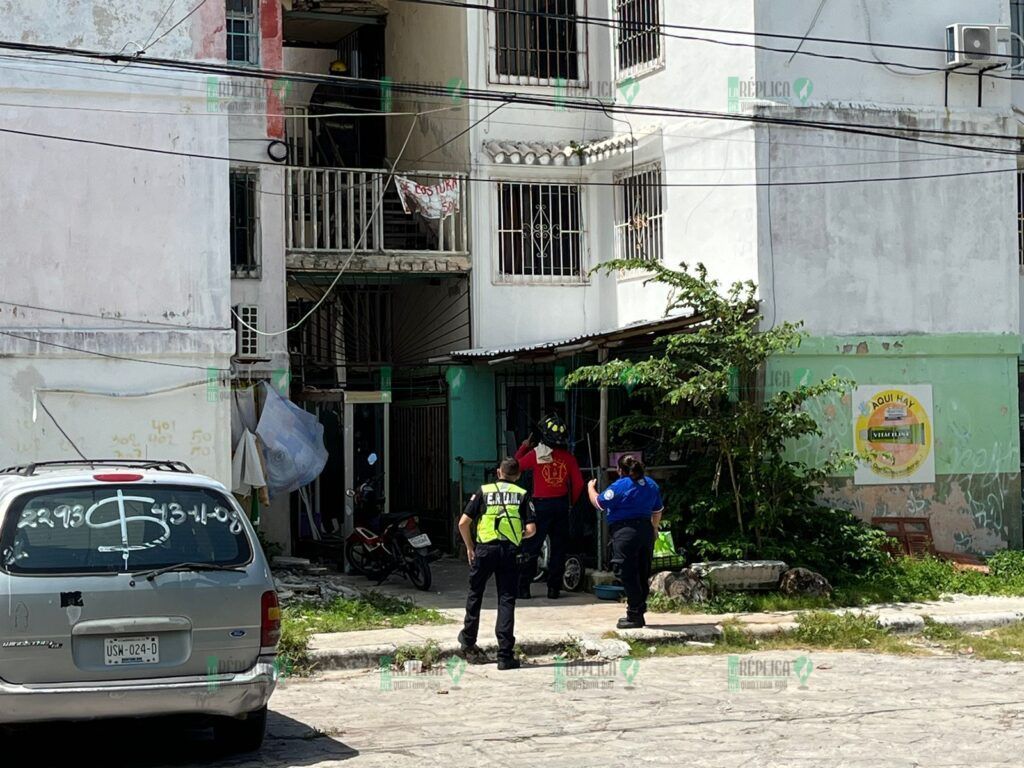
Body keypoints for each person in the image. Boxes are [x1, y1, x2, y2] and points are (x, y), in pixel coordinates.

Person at [458, 457, 537, 670]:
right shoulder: (522, 494)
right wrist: (515, 535)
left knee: (476, 593)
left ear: (498, 472)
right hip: (509, 552)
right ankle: (504, 655)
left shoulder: (483, 491)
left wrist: (470, 547)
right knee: (506, 599)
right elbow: (531, 530)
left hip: (484, 550)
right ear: (518, 475)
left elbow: (463, 523)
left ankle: (468, 639)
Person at [588, 455, 664, 629]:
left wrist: (590, 488)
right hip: (645, 530)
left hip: (625, 532)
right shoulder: (651, 484)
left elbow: (599, 503)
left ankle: (635, 614)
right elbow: (657, 510)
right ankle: (638, 612)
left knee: (627, 572)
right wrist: (654, 528)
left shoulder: (620, 485)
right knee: (642, 571)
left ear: (620, 470)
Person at [515, 415, 584, 600]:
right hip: (561, 505)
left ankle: (523, 588)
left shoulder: (537, 454)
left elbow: (515, 466)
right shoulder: (568, 458)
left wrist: (524, 447)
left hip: (540, 506)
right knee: (559, 548)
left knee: (531, 546)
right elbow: (578, 484)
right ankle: (553, 589)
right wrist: (570, 503)